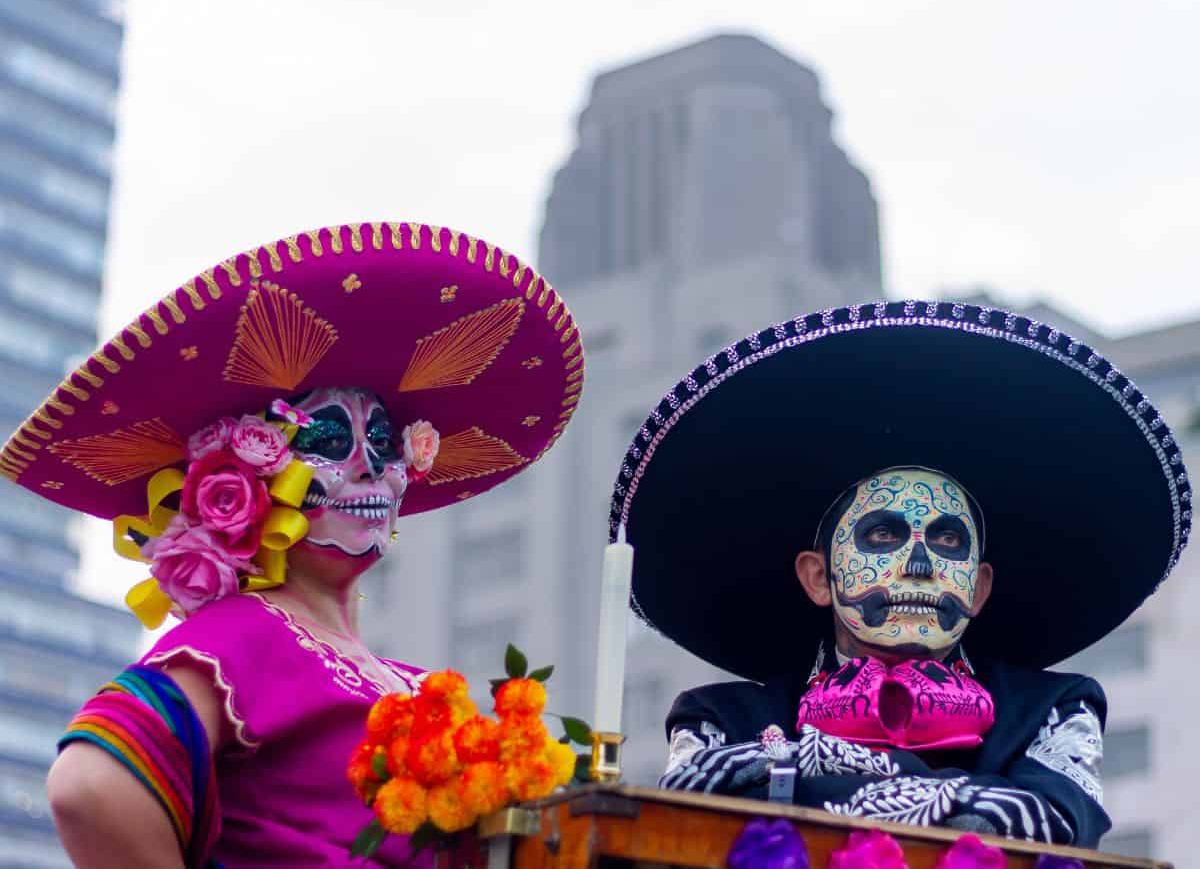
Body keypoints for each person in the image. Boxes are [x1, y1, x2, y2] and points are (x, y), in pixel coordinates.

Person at [0, 221, 584, 867]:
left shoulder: (419, 690)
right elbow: (89, 785)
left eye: (385, 444)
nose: (368, 465)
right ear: (253, 473)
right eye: (331, 440)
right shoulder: (249, 633)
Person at [607, 300, 1191, 850]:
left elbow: (1049, 822)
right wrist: (953, 796)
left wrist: (794, 769)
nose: (918, 565)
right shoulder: (718, 718)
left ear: (978, 587)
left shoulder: (1057, 709)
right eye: (883, 536)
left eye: (946, 539)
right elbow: (686, 817)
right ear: (819, 577)